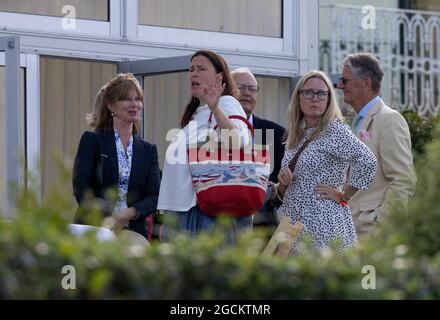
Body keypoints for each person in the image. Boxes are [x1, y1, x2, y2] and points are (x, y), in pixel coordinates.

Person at [269, 70, 377, 253]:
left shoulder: (334, 129)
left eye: (321, 93)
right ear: (298, 98)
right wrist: (283, 183)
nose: (315, 98)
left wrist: (344, 196)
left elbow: (368, 161)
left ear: (328, 99)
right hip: (292, 225)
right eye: (308, 92)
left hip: (324, 226)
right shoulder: (298, 135)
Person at [158, 50, 252, 237]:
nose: (193, 73)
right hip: (185, 212)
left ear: (219, 78)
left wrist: (215, 108)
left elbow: (237, 142)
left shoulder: (227, 103)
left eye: (201, 68)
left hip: (203, 214)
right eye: (191, 69)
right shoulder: (198, 113)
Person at [72, 73, 161, 239]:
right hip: (95, 227)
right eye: (127, 99)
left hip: (132, 228)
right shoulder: (92, 140)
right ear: (111, 106)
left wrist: (130, 212)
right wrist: (107, 218)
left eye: (138, 99)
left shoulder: (148, 150)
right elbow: (80, 187)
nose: (134, 104)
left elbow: (154, 195)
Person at [337, 52, 417, 236]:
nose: (340, 85)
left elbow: (403, 179)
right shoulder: (355, 121)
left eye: (345, 80)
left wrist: (382, 225)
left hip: (370, 233)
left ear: (366, 82)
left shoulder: (390, 119)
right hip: (348, 230)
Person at [230, 67, 286, 228]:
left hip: (263, 227)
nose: (247, 93)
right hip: (222, 224)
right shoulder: (212, 131)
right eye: (241, 87)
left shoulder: (277, 134)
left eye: (252, 89)